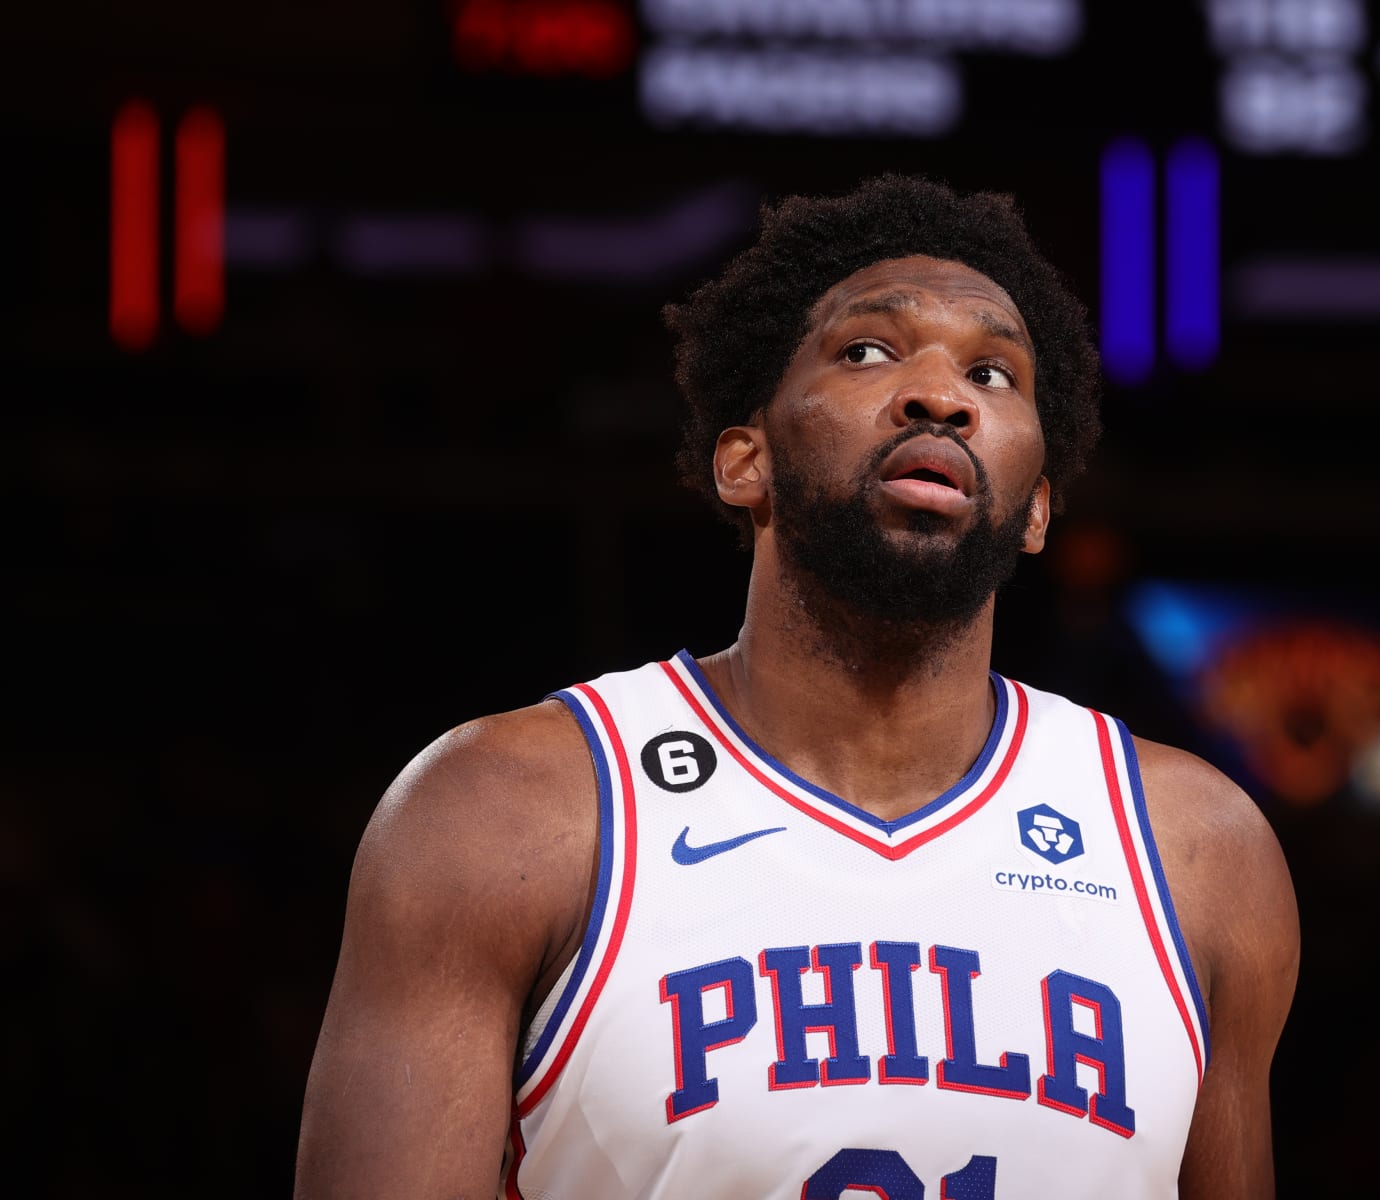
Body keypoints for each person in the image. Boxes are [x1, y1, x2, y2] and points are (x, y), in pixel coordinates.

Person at [294, 175, 1300, 1199]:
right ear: (746, 460)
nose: (940, 396)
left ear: (1038, 508)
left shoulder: (1198, 852)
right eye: (868, 351)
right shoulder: (505, 813)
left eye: (994, 374)